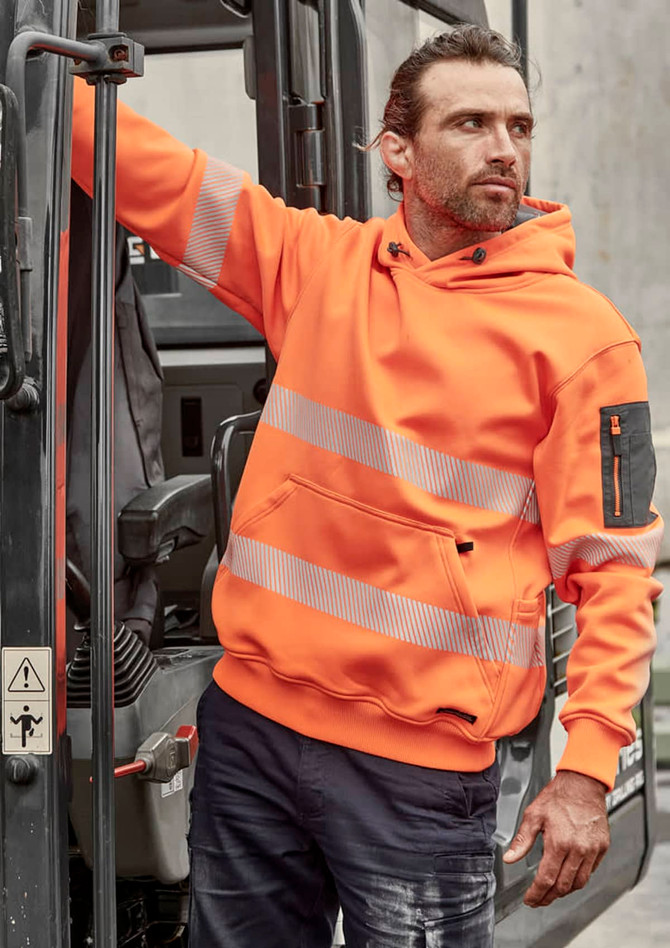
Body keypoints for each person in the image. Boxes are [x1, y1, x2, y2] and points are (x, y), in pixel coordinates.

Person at [71, 24, 662, 948]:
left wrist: (587, 768)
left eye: (518, 125)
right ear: (398, 151)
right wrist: (34, 67)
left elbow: (616, 574)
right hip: (253, 731)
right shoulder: (316, 267)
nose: (503, 148)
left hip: (420, 773)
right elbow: (156, 176)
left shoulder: (586, 339)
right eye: (470, 123)